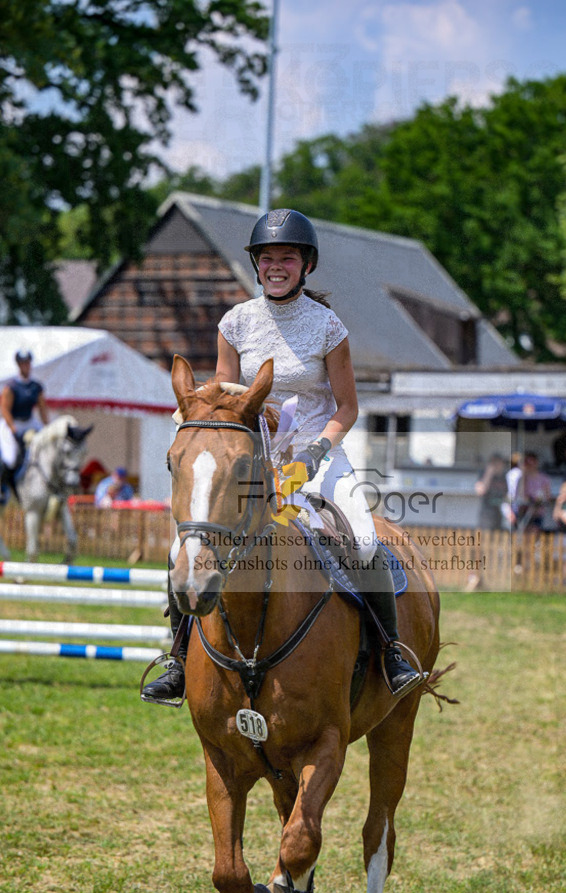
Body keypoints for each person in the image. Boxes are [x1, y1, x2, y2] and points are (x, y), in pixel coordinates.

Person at [143, 208, 421, 703]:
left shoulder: (328, 327)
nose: (276, 266)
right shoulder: (237, 322)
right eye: (267, 258)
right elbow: (228, 394)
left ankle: (392, 652)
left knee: (360, 539)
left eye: (287, 258)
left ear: (305, 265)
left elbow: (348, 407)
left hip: (318, 454)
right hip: (251, 459)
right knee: (182, 548)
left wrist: (315, 451)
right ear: (256, 265)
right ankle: (178, 660)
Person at [0, 349, 49, 479]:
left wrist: (47, 427)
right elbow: (5, 410)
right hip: (13, 422)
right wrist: (13, 429)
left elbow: (42, 409)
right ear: (19, 365)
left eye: (27, 363)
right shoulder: (12, 386)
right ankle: (4, 486)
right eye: (23, 363)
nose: (26, 366)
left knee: (47, 445)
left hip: (29, 421)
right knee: (9, 458)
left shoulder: (36, 386)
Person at [515, 451, 552, 532]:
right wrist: (524, 476)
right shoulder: (521, 479)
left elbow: (548, 497)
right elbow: (519, 495)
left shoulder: (544, 479)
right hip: (524, 512)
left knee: (534, 533)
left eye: (532, 462)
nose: (531, 465)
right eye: (528, 463)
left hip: (538, 513)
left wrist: (539, 500)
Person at [474, 454, 508, 530]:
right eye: (494, 463)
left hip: (500, 513)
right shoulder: (483, 475)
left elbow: (508, 495)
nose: (497, 466)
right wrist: (489, 473)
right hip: (487, 514)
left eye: (499, 463)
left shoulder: (504, 477)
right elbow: (480, 490)